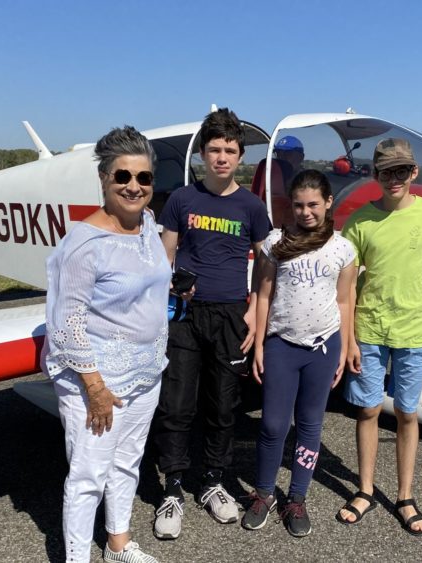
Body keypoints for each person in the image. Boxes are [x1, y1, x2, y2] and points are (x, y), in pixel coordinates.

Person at [42, 126, 167, 563]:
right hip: (97, 380)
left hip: (145, 372)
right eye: (123, 177)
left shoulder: (148, 225)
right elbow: (66, 323)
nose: (134, 186)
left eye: (144, 178)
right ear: (104, 180)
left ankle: (118, 544)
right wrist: (94, 387)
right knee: (88, 475)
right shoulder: (83, 244)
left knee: (127, 462)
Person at [153, 108, 273, 540]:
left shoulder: (252, 206)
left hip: (230, 315)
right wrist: (170, 288)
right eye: (214, 150)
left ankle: (213, 482)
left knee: (224, 408)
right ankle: (173, 487)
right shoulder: (182, 200)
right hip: (185, 315)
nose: (221, 157)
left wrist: (256, 311)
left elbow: (266, 263)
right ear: (202, 154)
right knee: (177, 406)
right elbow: (164, 258)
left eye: (230, 150)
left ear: (241, 156)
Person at [336, 137, 422, 536]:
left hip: (414, 329)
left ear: (413, 172)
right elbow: (347, 286)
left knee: (407, 413)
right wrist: (348, 340)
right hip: (369, 327)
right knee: (367, 410)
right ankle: (365, 490)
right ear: (375, 175)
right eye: (387, 172)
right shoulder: (359, 220)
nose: (394, 178)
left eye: (402, 170)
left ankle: (404, 495)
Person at [242, 170, 357, 537]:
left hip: (322, 348)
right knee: (273, 425)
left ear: (327, 203)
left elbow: (344, 301)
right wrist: (259, 344)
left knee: (310, 426)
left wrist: (345, 346)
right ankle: (263, 493)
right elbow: (262, 294)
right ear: (289, 206)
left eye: (313, 204)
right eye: (298, 205)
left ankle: (297, 497)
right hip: (281, 344)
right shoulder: (275, 242)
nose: (306, 212)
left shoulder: (342, 248)